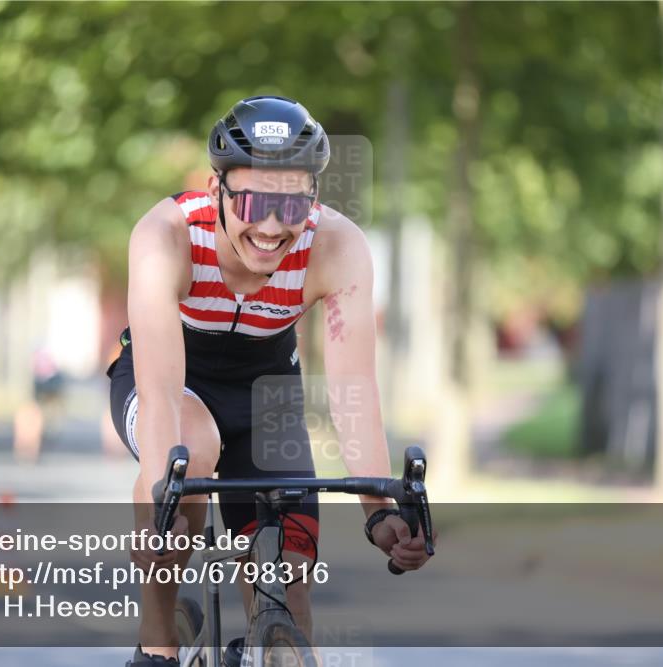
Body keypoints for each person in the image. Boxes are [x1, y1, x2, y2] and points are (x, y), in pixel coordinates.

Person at [107, 95, 435, 667]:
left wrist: (380, 509)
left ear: (314, 198)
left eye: (291, 204)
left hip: (266, 392)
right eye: (254, 200)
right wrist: (161, 499)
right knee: (187, 456)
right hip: (170, 380)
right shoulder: (166, 236)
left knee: (288, 572)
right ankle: (156, 643)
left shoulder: (336, 246)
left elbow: (353, 390)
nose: (271, 224)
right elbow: (160, 394)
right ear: (217, 193)